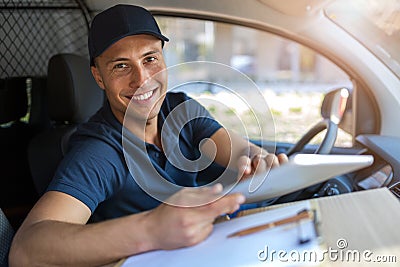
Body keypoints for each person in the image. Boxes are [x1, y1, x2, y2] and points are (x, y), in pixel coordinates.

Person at [9, 4, 287, 267]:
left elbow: (239, 151)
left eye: (150, 59)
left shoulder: (180, 108)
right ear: (98, 77)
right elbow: (25, 251)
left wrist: (256, 161)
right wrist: (151, 230)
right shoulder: (100, 151)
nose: (141, 79)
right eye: (121, 65)